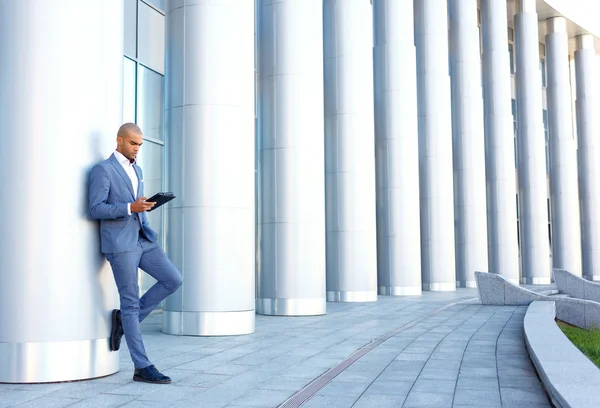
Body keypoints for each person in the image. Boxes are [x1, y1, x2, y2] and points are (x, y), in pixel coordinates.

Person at [88, 123, 182, 384]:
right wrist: (130, 206)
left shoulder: (137, 169)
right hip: (121, 244)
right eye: (133, 143)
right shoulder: (103, 170)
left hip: (143, 238)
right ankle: (141, 366)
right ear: (119, 141)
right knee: (129, 301)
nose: (137, 148)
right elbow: (95, 208)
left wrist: (144, 207)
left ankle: (125, 321)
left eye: (140, 144)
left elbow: (135, 205)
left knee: (173, 279)